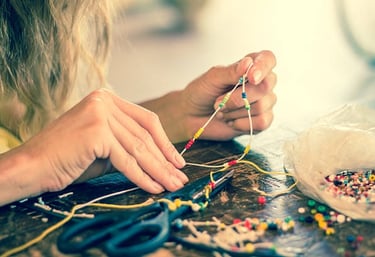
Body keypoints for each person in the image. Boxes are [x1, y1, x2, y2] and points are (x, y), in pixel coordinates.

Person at [0, 1, 277, 206]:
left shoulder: (33, 16)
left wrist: (178, 116)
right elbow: (37, 156)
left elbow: (26, 133)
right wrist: (29, 166)